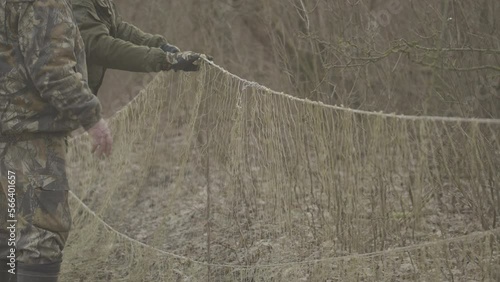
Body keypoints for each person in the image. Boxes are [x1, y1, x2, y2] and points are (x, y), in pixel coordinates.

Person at [0, 0, 113, 281]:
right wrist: (91, 118)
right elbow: (52, 69)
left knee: (8, 237)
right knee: (39, 241)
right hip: (29, 142)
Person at [71, 0, 211, 95]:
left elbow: (117, 28)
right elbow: (98, 47)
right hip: (53, 101)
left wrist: (161, 46)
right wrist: (166, 59)